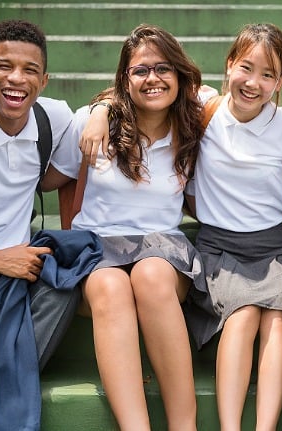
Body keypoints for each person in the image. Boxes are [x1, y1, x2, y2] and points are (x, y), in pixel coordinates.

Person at [44, 24, 205, 431]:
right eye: (140, 70)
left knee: (150, 277)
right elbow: (54, 181)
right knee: (110, 286)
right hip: (99, 247)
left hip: (163, 248)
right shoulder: (90, 121)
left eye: (163, 67)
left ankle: (183, 426)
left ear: (179, 74)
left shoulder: (193, 128)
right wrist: (100, 111)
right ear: (124, 79)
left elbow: (223, 98)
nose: (152, 78)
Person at [182, 23, 282, 431]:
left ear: (280, 81)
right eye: (246, 68)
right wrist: (98, 113)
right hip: (220, 248)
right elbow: (133, 85)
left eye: (268, 74)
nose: (253, 83)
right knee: (244, 312)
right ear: (230, 64)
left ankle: (264, 427)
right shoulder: (205, 107)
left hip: (272, 245)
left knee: (279, 318)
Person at [0, 19, 95, 430]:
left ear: (44, 79)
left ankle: (4, 372)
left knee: (63, 278)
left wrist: (100, 111)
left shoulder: (53, 121)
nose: (16, 78)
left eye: (29, 70)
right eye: (3, 66)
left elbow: (61, 173)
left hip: (13, 278)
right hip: (0, 263)